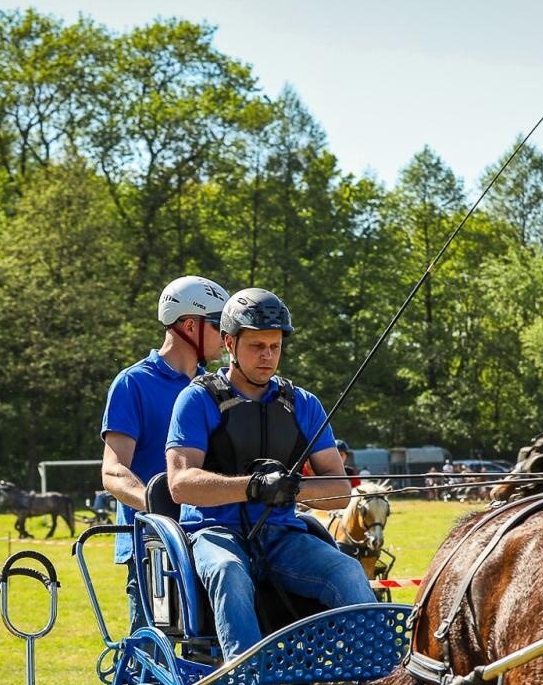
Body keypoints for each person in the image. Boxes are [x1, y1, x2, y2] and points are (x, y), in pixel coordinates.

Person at [166, 288, 376, 659]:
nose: (267, 356)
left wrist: (293, 491)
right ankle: (245, 680)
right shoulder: (196, 399)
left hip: (284, 537)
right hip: (215, 533)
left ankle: (377, 675)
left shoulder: (303, 404)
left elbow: (340, 491)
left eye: (275, 347)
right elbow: (181, 484)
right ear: (230, 342)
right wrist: (253, 488)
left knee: (346, 570)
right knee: (229, 572)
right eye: (257, 346)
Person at [100, 274, 230, 633]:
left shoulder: (216, 388)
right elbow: (113, 471)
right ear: (190, 324)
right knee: (151, 656)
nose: (228, 337)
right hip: (153, 547)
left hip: (210, 539)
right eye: (219, 325)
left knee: (210, 655)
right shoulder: (133, 383)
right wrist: (160, 505)